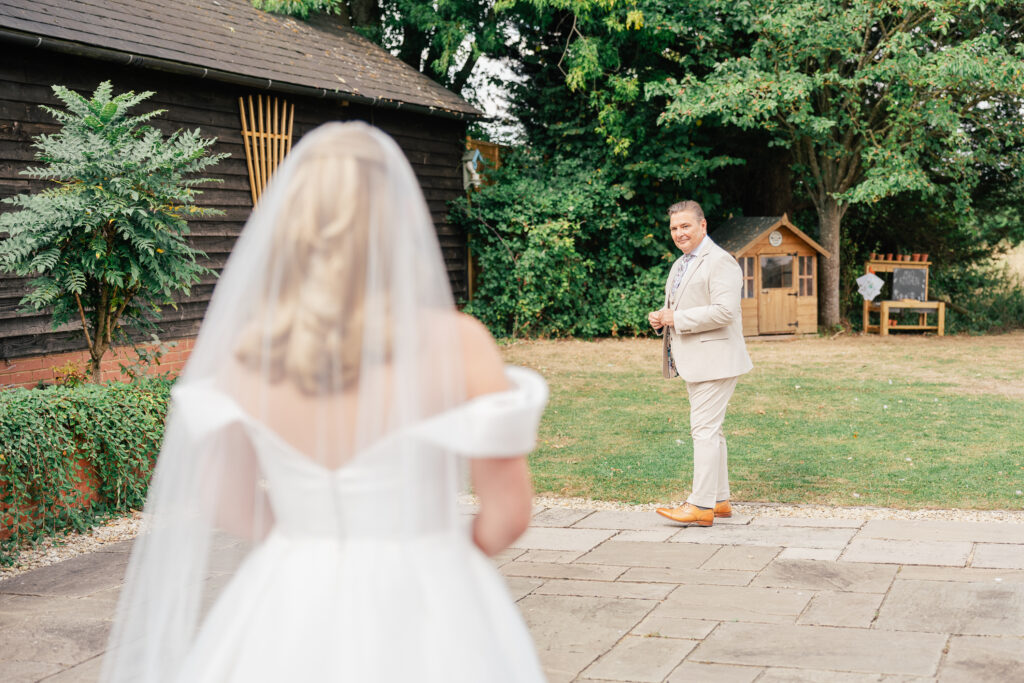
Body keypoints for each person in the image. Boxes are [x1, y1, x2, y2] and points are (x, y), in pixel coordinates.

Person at [100, 122, 548, 682]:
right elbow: (507, 517)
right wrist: (441, 552)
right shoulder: (459, 344)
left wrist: (303, 545)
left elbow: (224, 500)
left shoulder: (245, 357)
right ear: (399, 222)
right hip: (426, 593)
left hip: (290, 593)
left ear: (290, 225)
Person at [648, 200, 752, 527]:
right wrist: (662, 318)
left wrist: (676, 318)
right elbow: (683, 307)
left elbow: (725, 312)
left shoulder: (720, 261)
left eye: (685, 226)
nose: (679, 233)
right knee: (712, 431)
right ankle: (719, 500)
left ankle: (700, 506)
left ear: (703, 225)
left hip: (716, 360)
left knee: (703, 431)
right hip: (699, 359)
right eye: (674, 228)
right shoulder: (681, 263)